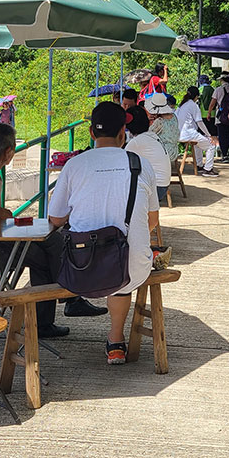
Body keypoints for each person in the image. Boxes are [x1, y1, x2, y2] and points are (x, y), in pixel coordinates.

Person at [0, 123, 104, 339]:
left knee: (52, 242)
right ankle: (58, 310)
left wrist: (0, 215)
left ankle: (67, 302)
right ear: (8, 152)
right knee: (47, 256)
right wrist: (0, 212)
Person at [48, 103, 160, 365]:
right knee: (124, 268)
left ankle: (45, 320)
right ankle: (116, 340)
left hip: (80, 270)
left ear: (90, 132)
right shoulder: (140, 165)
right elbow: (152, 221)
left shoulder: (75, 165)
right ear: (124, 133)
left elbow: (55, 218)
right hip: (132, 269)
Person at [124, 104, 171, 204]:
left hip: (156, 189)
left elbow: (121, 161)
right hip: (162, 186)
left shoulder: (137, 142)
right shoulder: (151, 135)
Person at [177, 86, 219, 176]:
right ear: (196, 96)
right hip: (189, 133)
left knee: (197, 144)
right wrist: (209, 135)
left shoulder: (181, 105)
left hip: (179, 133)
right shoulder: (193, 105)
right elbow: (199, 122)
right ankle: (208, 169)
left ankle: (199, 165)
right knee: (211, 145)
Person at [145, 93, 181, 162]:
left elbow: (148, 134)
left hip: (163, 152)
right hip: (174, 151)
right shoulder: (174, 117)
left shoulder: (160, 121)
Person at [208, 72, 229, 161]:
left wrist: (209, 113)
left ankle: (224, 155)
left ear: (221, 80)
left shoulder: (218, 90)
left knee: (222, 135)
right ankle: (227, 153)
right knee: (228, 135)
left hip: (220, 116)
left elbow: (212, 103)